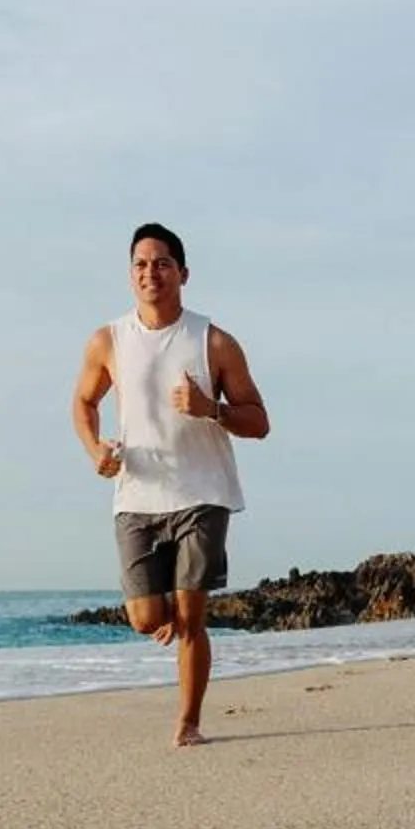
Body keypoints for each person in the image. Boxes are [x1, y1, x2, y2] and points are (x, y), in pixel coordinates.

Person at [69, 223, 271, 746]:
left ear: (182, 273)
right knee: (145, 617)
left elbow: (259, 421)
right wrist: (97, 451)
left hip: (203, 493)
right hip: (136, 495)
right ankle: (159, 614)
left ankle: (188, 721)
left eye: (161, 263)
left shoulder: (214, 341)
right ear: (130, 275)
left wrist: (212, 409)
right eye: (140, 264)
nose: (149, 273)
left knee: (190, 614)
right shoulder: (108, 340)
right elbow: (84, 403)